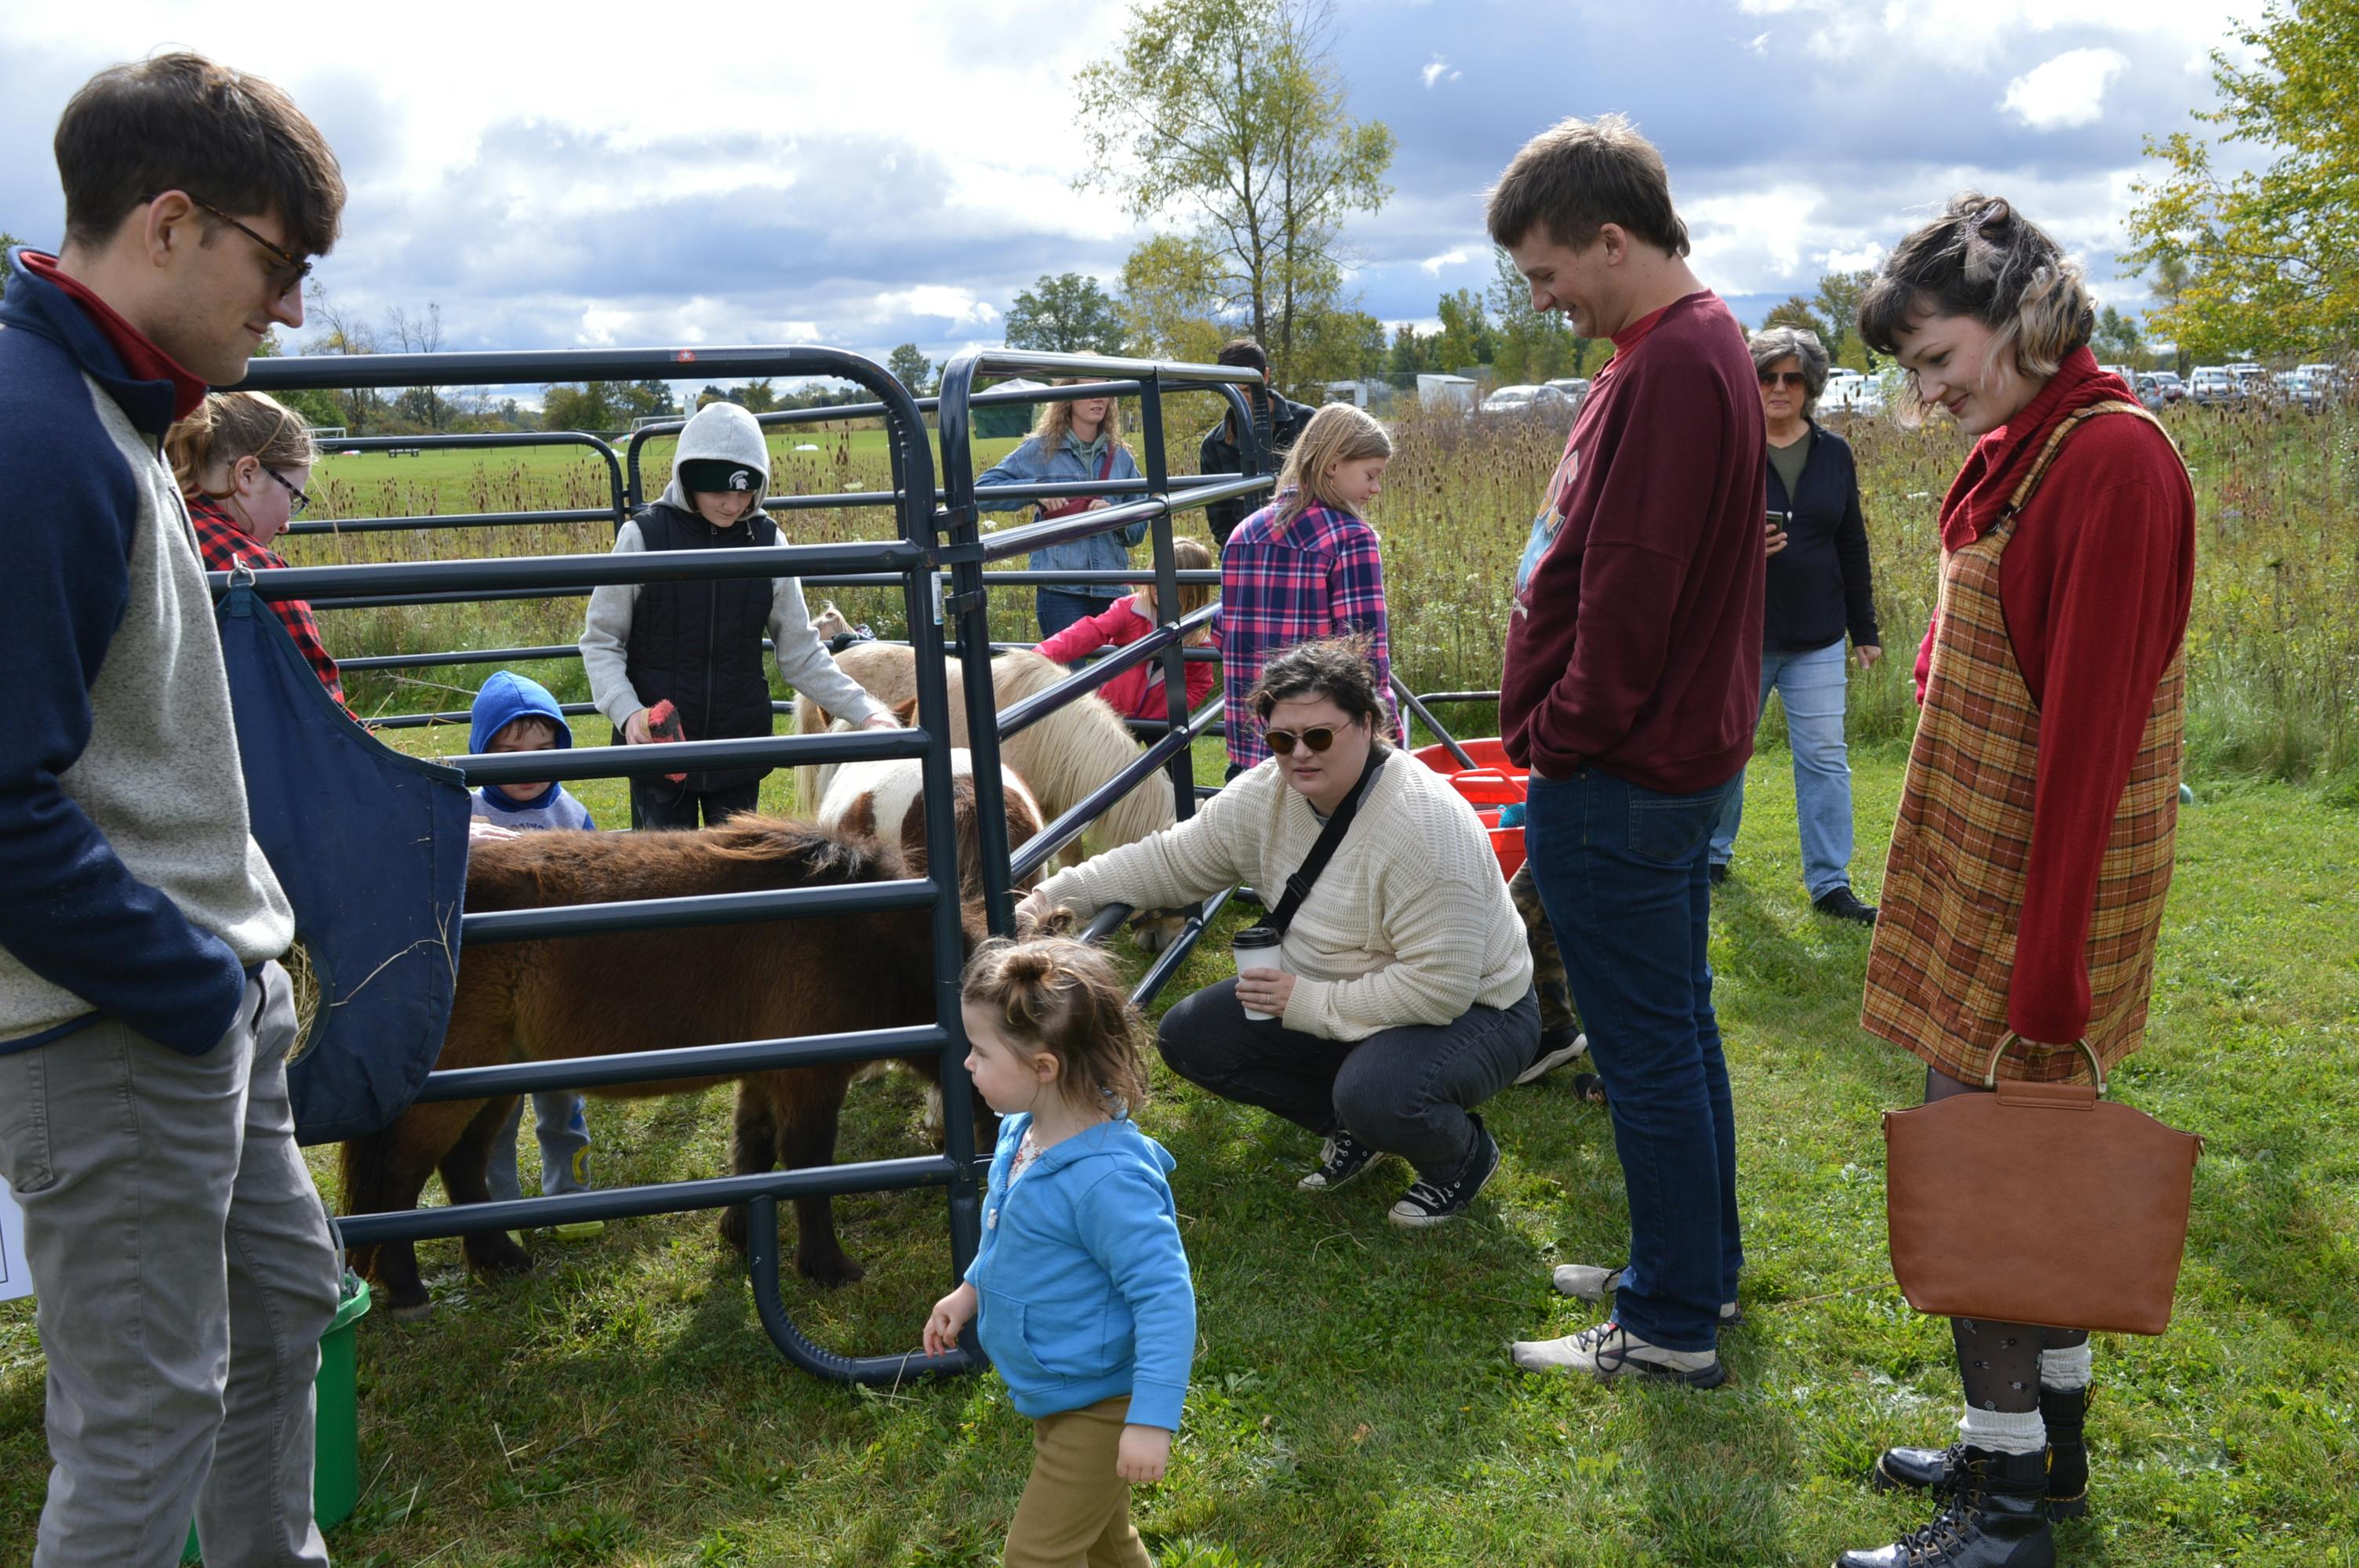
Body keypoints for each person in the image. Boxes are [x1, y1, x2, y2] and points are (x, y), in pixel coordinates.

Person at [0, 53, 345, 1567]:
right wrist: (192, 986)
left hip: (192, 1002)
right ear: (171, 221)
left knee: (278, 1312)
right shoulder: (34, 438)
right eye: (279, 264)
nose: (286, 310)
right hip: (113, 1025)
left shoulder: (109, 407)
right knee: (143, 1428)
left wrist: (232, 979)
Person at [1834, 195, 2194, 1568]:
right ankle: (2044, 1455)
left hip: (2039, 886)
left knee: (1982, 1173)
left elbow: (2094, 733)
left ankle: (1998, 1517)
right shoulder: (2025, 448)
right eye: (1911, 369)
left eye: (1936, 358)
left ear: (2017, 318)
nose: (1922, 393)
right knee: (2017, 1169)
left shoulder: (2108, 465)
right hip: (1983, 866)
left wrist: (2049, 963)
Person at [1487, 114, 1765, 1389]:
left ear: (1612, 237)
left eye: (1548, 274)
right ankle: (1691, 1267)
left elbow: (1632, 594)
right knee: (1676, 1031)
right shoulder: (1683, 349)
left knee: (1645, 1046)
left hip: (1618, 771)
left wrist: (1557, 735)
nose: (1542, 302)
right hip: (1656, 761)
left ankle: (1664, 1322)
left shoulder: (1669, 367)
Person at [1020, 637, 1543, 1226]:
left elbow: (1440, 988)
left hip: (1478, 1009)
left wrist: (1305, 1003)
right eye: (1280, 738)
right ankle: (1354, 1128)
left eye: (1319, 735)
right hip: (1341, 986)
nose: (1299, 754)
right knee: (1193, 1036)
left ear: (1367, 724)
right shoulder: (1265, 796)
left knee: (1376, 1093)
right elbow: (1168, 860)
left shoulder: (1423, 827)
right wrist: (1049, 896)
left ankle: (1461, 1157)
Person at [921, 937, 1194, 1568]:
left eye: (981, 1052)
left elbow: (1165, 1299)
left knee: (1038, 1556)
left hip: (1102, 1402)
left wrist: (1152, 1418)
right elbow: (1010, 1234)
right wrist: (971, 1290)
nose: (966, 1065)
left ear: (1044, 1067)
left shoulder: (1107, 1181)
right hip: (1060, 1385)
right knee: (1106, 1539)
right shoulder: (1025, 1131)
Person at [581, 400, 896, 829]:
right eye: (718, 492)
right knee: (666, 880)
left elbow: (801, 652)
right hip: (658, 746)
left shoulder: (768, 541)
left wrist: (866, 712)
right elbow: (602, 639)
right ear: (687, 477)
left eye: (745, 490)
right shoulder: (643, 537)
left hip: (739, 747)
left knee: (734, 884)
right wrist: (627, 711)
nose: (732, 505)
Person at [1706, 325, 1884, 923]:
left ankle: (1831, 884)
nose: (1779, 388)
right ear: (1749, 382)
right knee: (1726, 751)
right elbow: (1690, 539)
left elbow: (1852, 542)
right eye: (1766, 376)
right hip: (1740, 635)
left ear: (1811, 387)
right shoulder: (1726, 446)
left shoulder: (1834, 452)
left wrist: (1866, 630)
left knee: (1825, 758)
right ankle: (1709, 856)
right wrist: (1739, 547)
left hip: (1818, 636)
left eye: (1792, 378)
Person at [465, 671, 602, 1215]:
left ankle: (569, 1198)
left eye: (544, 749)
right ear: (482, 750)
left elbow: (597, 887)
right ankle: (500, 1210)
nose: (528, 765)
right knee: (491, 1112)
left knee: (563, 1101)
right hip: (490, 994)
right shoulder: (468, 814)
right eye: (509, 750)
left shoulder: (570, 814)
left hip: (559, 991)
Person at [1213, 402, 1402, 775]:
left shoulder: (1244, 534)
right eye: (1370, 474)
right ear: (1333, 465)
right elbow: (1365, 655)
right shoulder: (1351, 539)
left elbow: (1224, 631)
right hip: (1320, 753)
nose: (1376, 488)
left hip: (1255, 746)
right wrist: (1389, 738)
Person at [167, 389, 351, 714]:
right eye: (293, 499)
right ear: (247, 474)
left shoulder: (156, 525)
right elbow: (323, 716)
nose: (285, 526)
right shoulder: (255, 571)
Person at [974, 381, 1149, 637]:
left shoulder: (1122, 459)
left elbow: (1139, 530)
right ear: (1067, 397)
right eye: (1088, 391)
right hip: (1061, 591)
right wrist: (1037, 490)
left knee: (1118, 674)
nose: (1098, 399)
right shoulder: (1040, 451)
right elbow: (983, 492)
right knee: (1067, 674)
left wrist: (1116, 515)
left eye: (1104, 392)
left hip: (1112, 588)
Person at [1034, 535, 1223, 722]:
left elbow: (1199, 683)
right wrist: (1040, 654)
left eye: (1170, 579)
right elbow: (1091, 630)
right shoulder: (1131, 610)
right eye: (1155, 574)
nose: (1158, 585)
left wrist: (1167, 710)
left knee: (1170, 751)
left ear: (1192, 588)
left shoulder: (1196, 634)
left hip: (1159, 720)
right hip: (1114, 714)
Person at [1198, 337, 1318, 547]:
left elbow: (1329, 492)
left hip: (1307, 548)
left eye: (1246, 390)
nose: (1241, 399)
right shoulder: (1213, 446)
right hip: (1247, 552)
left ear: (1266, 376)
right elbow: (1220, 522)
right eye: (1232, 391)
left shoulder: (1308, 423)